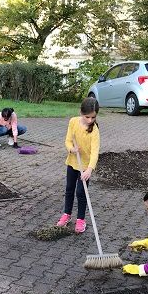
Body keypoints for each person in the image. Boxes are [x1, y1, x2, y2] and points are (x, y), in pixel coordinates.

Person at [56, 97, 100, 234]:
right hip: (72, 162)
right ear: (81, 112)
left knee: (81, 193)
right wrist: (71, 149)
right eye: (87, 117)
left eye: (93, 117)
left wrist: (89, 170)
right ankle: (66, 214)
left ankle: (81, 219)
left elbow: (95, 152)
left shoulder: (94, 130)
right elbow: (68, 140)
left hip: (85, 167)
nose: (90, 120)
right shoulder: (73, 122)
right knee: (69, 189)